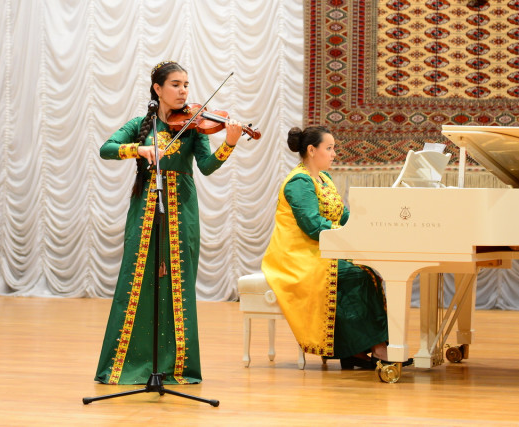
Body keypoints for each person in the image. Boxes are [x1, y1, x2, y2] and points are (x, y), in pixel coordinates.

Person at [95, 61, 243, 385]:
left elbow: (206, 166)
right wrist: (139, 149)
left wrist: (229, 143)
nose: (183, 91)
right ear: (157, 89)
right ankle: (126, 365)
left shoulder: (193, 125)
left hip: (183, 212)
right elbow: (106, 149)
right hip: (144, 212)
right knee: (135, 281)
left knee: (180, 285)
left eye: (186, 85)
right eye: (175, 84)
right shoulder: (140, 125)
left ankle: (177, 367)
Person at [261, 125, 393, 370]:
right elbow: (312, 226)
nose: (334, 154)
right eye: (329, 148)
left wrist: (369, 223)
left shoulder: (324, 179)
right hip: (297, 257)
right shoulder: (299, 182)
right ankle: (376, 349)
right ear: (312, 150)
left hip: (320, 251)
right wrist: (348, 233)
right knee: (359, 276)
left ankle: (357, 350)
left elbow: (341, 215)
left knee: (368, 273)